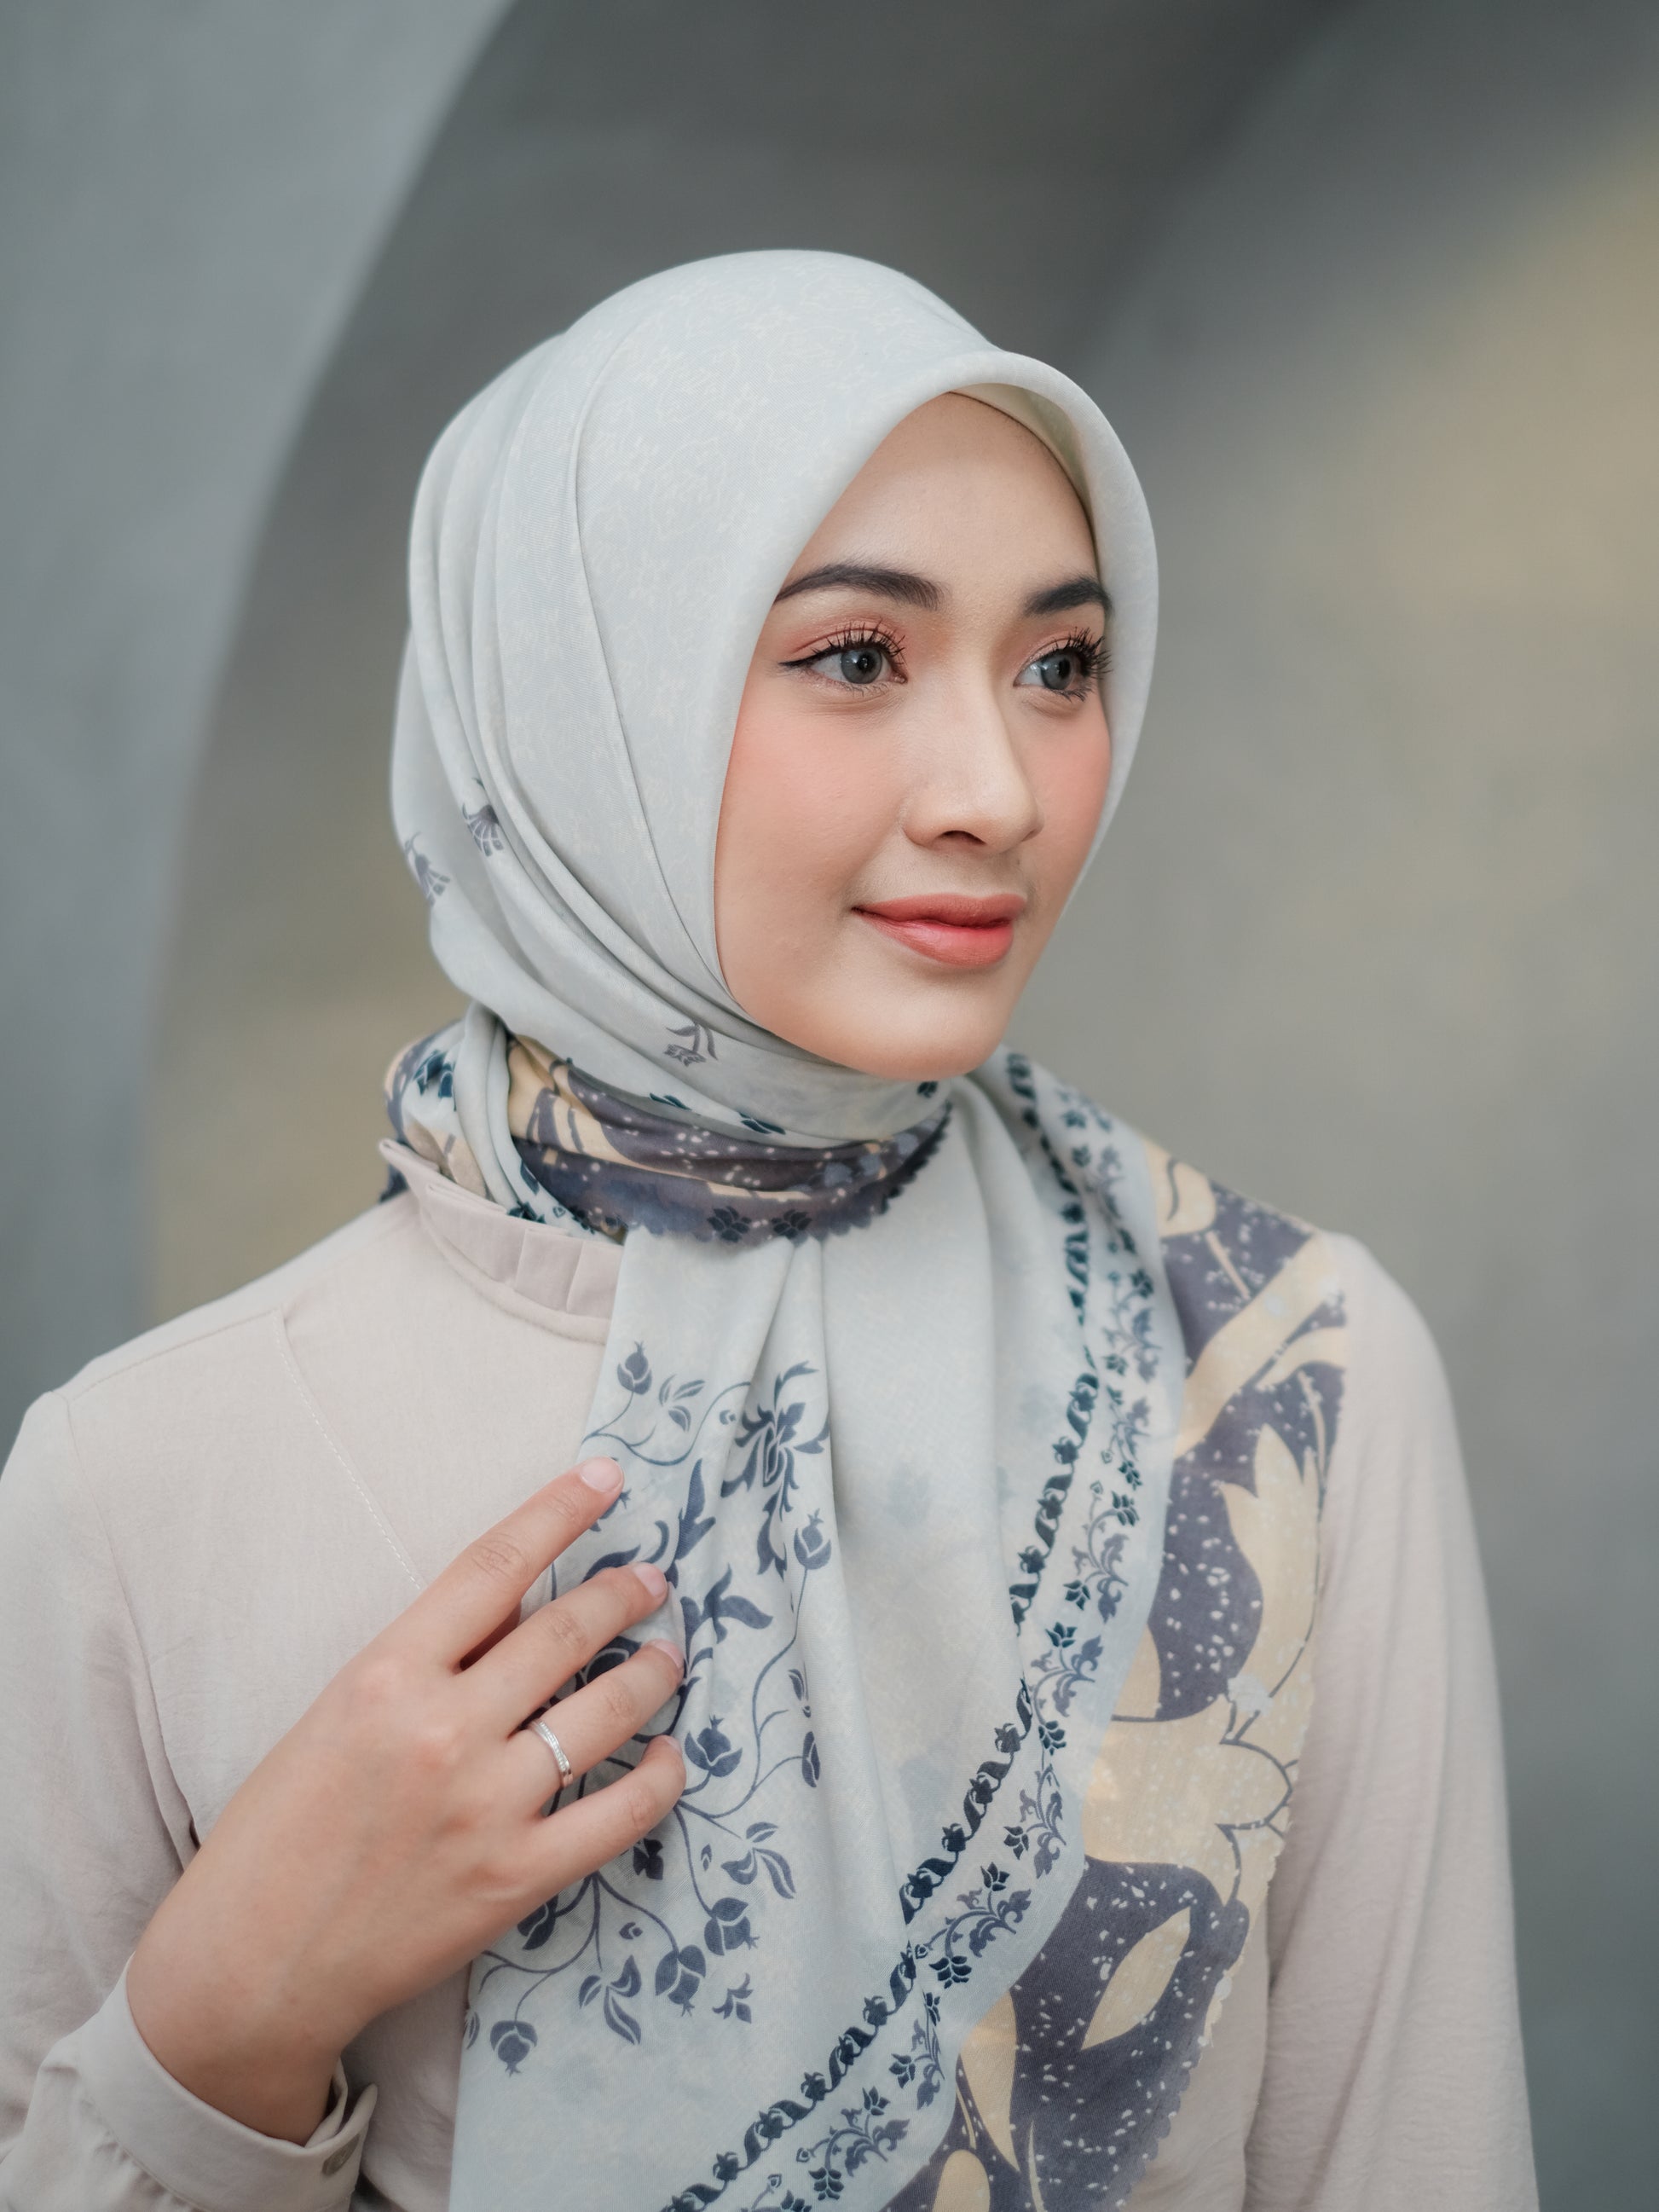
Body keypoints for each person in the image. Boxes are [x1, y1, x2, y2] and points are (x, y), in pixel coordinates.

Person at [0, 252, 1535, 2212]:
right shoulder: (142, 1483)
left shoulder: (1277, 1372)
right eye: (857, 656)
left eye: (1059, 664)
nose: (997, 791)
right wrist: (222, 2019)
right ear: (576, 697)